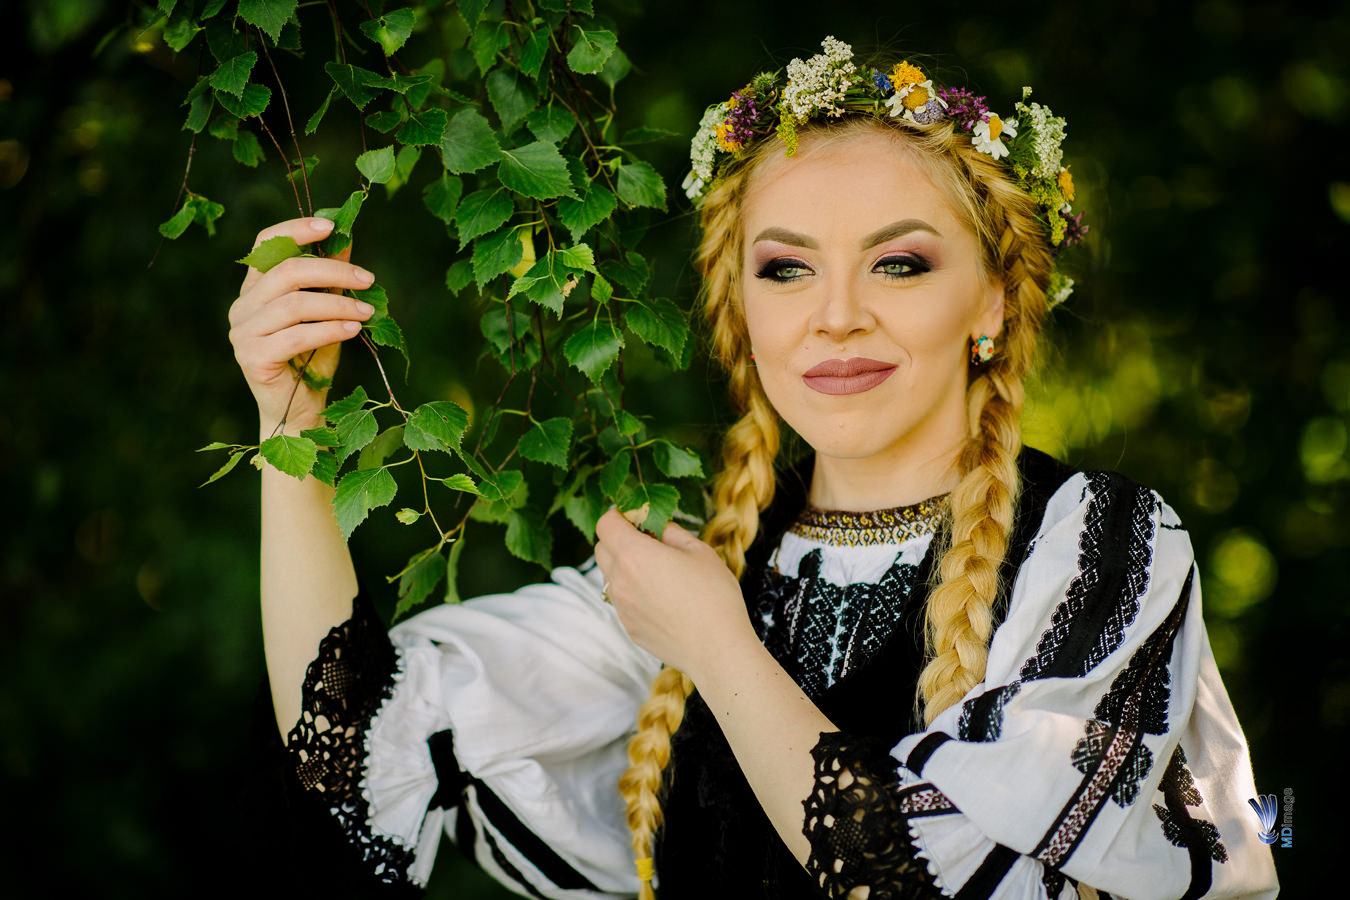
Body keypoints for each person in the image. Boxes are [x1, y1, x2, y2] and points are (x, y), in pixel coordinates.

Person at [229, 37, 1279, 900]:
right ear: (742, 310)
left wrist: (719, 648)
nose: (836, 315)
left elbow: (938, 877)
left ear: (994, 300)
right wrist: (291, 427)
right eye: (786, 269)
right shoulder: (687, 576)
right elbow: (358, 756)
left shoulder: (1098, 547)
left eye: (899, 263)